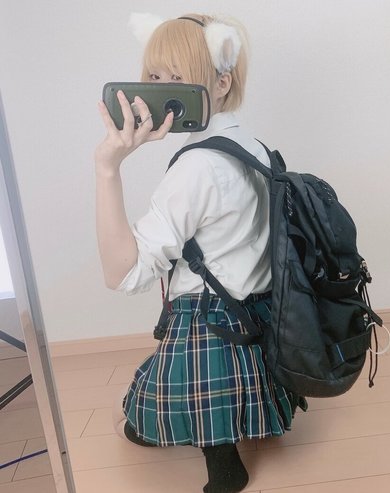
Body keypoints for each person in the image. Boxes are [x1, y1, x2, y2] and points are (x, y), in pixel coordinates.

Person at [95, 13, 306, 493]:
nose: (160, 91)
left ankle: (223, 463)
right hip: (258, 314)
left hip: (205, 324)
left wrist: (107, 168)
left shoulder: (197, 167)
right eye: (154, 77)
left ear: (221, 83)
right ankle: (236, 432)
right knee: (203, 372)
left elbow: (124, 274)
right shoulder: (253, 146)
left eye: (178, 77)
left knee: (150, 405)